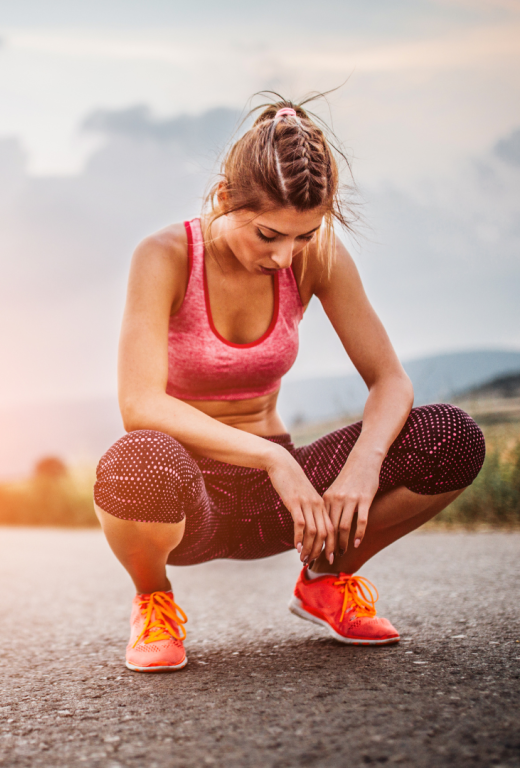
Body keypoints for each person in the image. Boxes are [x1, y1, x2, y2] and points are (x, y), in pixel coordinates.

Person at [93, 95, 485, 673]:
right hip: (192, 493)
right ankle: (154, 598)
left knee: (451, 436)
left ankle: (326, 579)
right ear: (225, 198)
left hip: (286, 504)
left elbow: (390, 381)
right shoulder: (164, 255)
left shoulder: (315, 257)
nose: (284, 257)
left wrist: (362, 467)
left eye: (303, 237)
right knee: (136, 461)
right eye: (269, 234)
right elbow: (140, 403)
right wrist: (275, 462)